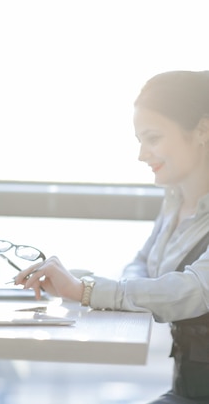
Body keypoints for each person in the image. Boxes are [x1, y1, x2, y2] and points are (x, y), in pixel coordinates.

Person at [14, 70, 209, 404]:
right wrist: (84, 285)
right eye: (139, 141)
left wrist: (88, 290)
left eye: (153, 138)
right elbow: (141, 267)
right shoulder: (176, 202)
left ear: (203, 130)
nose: (142, 155)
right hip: (188, 389)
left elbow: (194, 290)